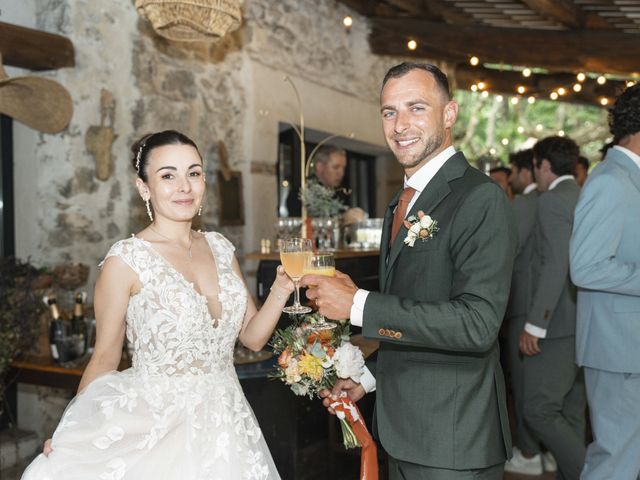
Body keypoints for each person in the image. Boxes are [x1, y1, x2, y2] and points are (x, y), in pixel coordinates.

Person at [22, 130, 292, 479]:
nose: (184, 186)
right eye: (168, 176)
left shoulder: (221, 248)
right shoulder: (126, 260)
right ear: (144, 188)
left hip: (228, 424)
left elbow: (252, 338)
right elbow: (104, 357)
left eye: (193, 173)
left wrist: (282, 289)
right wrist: (73, 433)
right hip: (157, 431)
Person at [303, 62, 517, 479]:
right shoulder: (401, 201)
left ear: (449, 114)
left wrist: (359, 304)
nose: (400, 125)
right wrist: (367, 377)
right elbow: (416, 312)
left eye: (416, 108)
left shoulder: (479, 198)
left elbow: (477, 324)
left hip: (453, 438)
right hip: (401, 430)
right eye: (389, 111)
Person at [570, 83, 640, 480]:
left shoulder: (627, 178)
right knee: (615, 463)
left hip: (628, 346)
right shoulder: (611, 180)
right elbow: (586, 267)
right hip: (619, 349)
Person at [519, 136, 585, 480]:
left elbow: (555, 265)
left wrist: (535, 324)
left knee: (539, 409)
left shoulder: (552, 201)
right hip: (583, 320)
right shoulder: (584, 195)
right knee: (572, 408)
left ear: (543, 166)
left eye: (535, 167)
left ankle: (591, 473)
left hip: (556, 322)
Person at [503, 149, 551, 475]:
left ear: (525, 172)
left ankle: (529, 451)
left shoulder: (526, 203)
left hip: (522, 303)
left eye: (513, 172)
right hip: (541, 306)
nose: (510, 179)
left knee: (522, 385)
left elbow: (508, 248)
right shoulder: (548, 201)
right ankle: (543, 450)